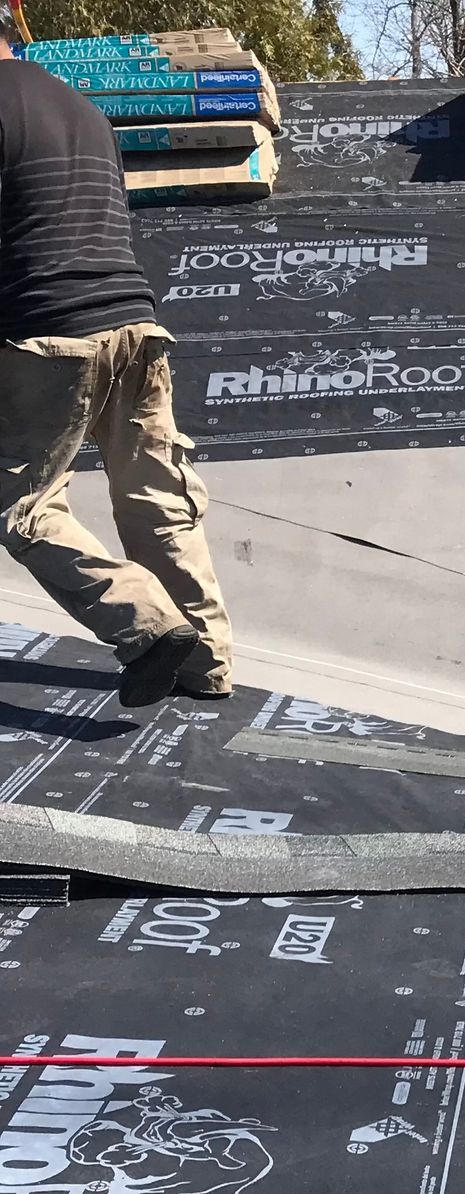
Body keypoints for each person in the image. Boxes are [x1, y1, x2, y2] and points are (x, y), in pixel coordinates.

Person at [0, 24, 232, 707]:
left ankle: (149, 626)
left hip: (50, 333)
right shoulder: (81, 109)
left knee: (25, 508)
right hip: (134, 319)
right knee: (155, 497)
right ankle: (208, 663)